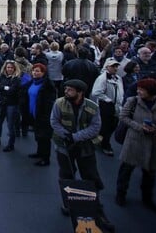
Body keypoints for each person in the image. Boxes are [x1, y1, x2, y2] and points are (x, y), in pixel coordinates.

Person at [50, 79, 114, 232]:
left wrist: (75, 137)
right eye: (66, 89)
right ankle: (68, 203)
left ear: (80, 93)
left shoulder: (92, 107)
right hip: (63, 146)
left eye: (70, 90)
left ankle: (97, 210)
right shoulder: (59, 103)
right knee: (66, 174)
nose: (66, 92)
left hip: (85, 146)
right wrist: (66, 136)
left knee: (90, 177)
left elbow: (95, 127)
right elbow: (54, 122)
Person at [116, 78, 156, 214]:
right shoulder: (133, 102)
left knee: (150, 174)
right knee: (126, 170)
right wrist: (139, 127)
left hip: (154, 143)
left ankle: (147, 198)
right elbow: (124, 117)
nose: (138, 91)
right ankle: (120, 194)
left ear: (151, 92)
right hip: (134, 141)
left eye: (142, 90)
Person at [24, 63, 56, 166]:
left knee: (44, 137)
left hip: (43, 115)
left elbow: (49, 102)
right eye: (33, 70)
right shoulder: (32, 82)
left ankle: (45, 158)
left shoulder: (47, 85)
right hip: (34, 114)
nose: (35, 72)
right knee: (38, 135)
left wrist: (45, 115)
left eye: (38, 71)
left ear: (43, 73)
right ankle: (39, 153)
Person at [90, 57, 124, 156]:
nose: (116, 68)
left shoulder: (118, 78)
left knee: (113, 125)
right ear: (107, 67)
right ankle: (105, 144)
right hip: (106, 106)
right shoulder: (102, 78)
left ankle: (98, 139)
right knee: (106, 126)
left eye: (116, 66)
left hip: (117, 105)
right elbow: (96, 92)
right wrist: (107, 100)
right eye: (113, 66)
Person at [0, 60, 21, 152]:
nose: (9, 69)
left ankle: (11, 144)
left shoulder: (17, 79)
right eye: (8, 67)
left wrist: (2, 87)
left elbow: (12, 90)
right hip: (2, 103)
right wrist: (5, 87)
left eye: (11, 67)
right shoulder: (2, 76)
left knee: (10, 125)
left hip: (12, 104)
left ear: (14, 69)